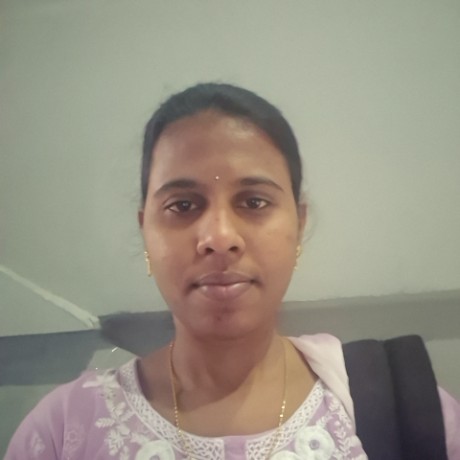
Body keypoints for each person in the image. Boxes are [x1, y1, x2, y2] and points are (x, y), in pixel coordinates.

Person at [5, 83, 460, 459]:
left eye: (254, 202)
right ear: (146, 230)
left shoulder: (408, 407)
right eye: (183, 205)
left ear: (299, 225)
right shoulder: (62, 433)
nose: (220, 237)